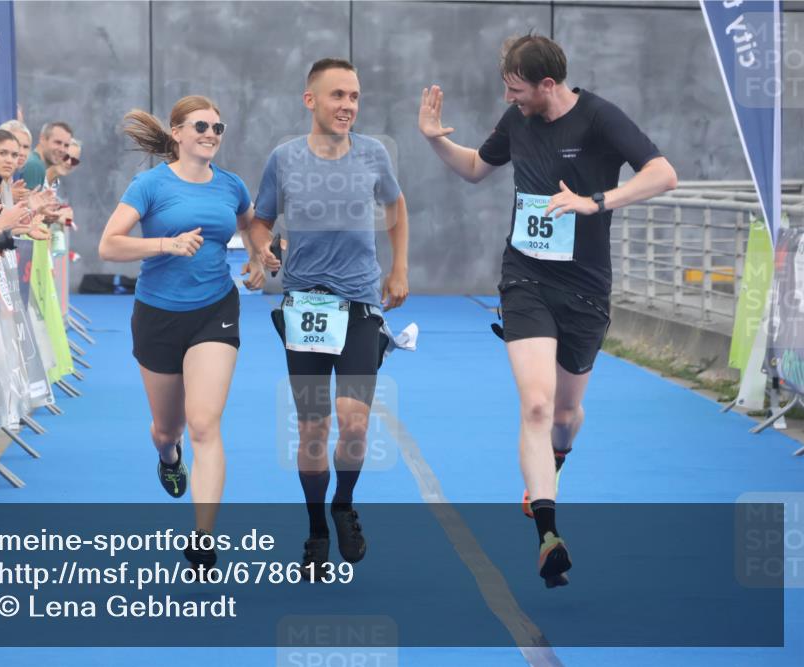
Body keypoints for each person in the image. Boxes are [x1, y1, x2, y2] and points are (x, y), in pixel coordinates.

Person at [418, 34, 677, 587]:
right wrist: (434, 140)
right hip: (526, 278)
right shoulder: (517, 122)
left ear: (548, 85)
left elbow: (663, 174)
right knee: (535, 405)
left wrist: (595, 201)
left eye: (517, 90)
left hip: (584, 288)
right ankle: (548, 533)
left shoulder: (601, 118)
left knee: (564, 416)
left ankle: (555, 462)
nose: (510, 99)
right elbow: (473, 168)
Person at [249, 58, 410, 574]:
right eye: (337, 95)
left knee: (354, 423)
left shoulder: (374, 154)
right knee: (313, 429)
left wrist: (399, 268)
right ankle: (317, 526)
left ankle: (344, 503)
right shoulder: (284, 158)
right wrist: (263, 252)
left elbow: (397, 209)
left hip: (362, 303)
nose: (347, 105)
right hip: (306, 306)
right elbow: (261, 220)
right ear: (310, 100)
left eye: (355, 97)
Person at [99, 96, 263, 573]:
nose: (212, 133)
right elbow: (109, 245)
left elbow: (253, 226)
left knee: (205, 424)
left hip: (215, 310)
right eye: (201, 126)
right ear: (178, 133)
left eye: (219, 126)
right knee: (167, 429)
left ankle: (204, 538)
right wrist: (165, 244)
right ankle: (169, 456)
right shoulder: (149, 184)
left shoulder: (231, 186)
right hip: (158, 316)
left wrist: (257, 258)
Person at [22, 122, 73, 190]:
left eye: (66, 145)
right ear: (42, 139)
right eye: (58, 142)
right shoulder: (35, 166)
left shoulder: (36, 165)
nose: (62, 149)